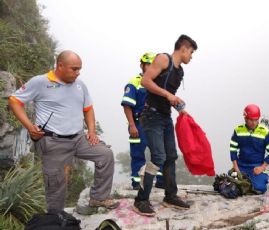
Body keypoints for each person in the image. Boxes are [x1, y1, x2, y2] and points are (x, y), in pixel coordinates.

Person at [8, 50, 119, 212]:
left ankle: (98, 198)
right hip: (53, 141)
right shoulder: (40, 82)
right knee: (56, 185)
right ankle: (55, 218)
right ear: (60, 66)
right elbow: (14, 101)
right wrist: (30, 127)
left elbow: (88, 109)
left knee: (105, 155)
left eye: (79, 69)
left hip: (79, 138)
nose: (78, 73)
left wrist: (92, 131)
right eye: (74, 69)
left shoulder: (80, 85)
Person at [133, 34, 198, 216]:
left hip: (165, 115)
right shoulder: (163, 59)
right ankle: (141, 199)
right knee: (159, 156)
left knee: (170, 156)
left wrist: (180, 107)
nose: (191, 56)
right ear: (183, 49)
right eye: (191, 52)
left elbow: (168, 96)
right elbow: (145, 81)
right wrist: (168, 95)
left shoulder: (180, 72)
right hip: (151, 115)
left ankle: (170, 196)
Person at [121, 52, 164, 190]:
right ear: (142, 65)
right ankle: (137, 183)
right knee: (138, 155)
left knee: (159, 153)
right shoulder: (134, 82)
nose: (151, 67)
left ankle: (161, 181)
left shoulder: (159, 83)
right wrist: (132, 125)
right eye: (148, 64)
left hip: (156, 124)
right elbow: (127, 105)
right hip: (139, 124)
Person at [229, 104, 269, 194]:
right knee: (231, 185)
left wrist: (262, 168)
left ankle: (247, 185)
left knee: (260, 188)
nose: (254, 123)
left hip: (256, 167)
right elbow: (233, 149)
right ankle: (236, 177)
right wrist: (236, 167)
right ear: (245, 118)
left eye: (256, 120)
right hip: (240, 166)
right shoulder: (238, 130)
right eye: (251, 120)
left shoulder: (265, 132)